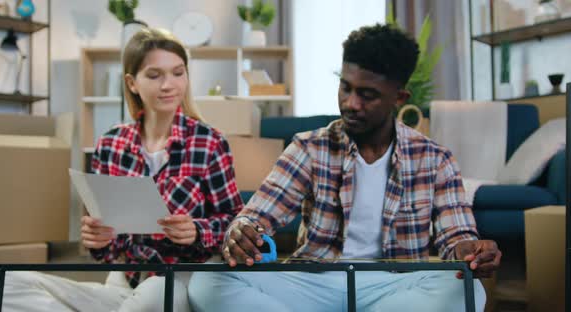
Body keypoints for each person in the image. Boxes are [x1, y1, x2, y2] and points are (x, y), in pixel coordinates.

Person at [188, 24, 501, 312]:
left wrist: (470, 251)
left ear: (398, 97)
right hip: (313, 281)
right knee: (208, 281)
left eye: (367, 95)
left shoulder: (435, 158)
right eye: (345, 87)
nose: (351, 103)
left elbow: (456, 238)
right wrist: (243, 234)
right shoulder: (309, 148)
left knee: (471, 292)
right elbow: (255, 217)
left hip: (394, 284)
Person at [0, 28, 243, 312]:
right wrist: (98, 240)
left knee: (156, 292)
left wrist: (197, 229)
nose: (169, 84)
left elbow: (236, 224)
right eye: (155, 75)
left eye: (178, 73)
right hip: (124, 283)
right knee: (2, 284)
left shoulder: (210, 142)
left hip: (179, 282)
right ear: (132, 83)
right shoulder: (111, 143)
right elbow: (107, 250)